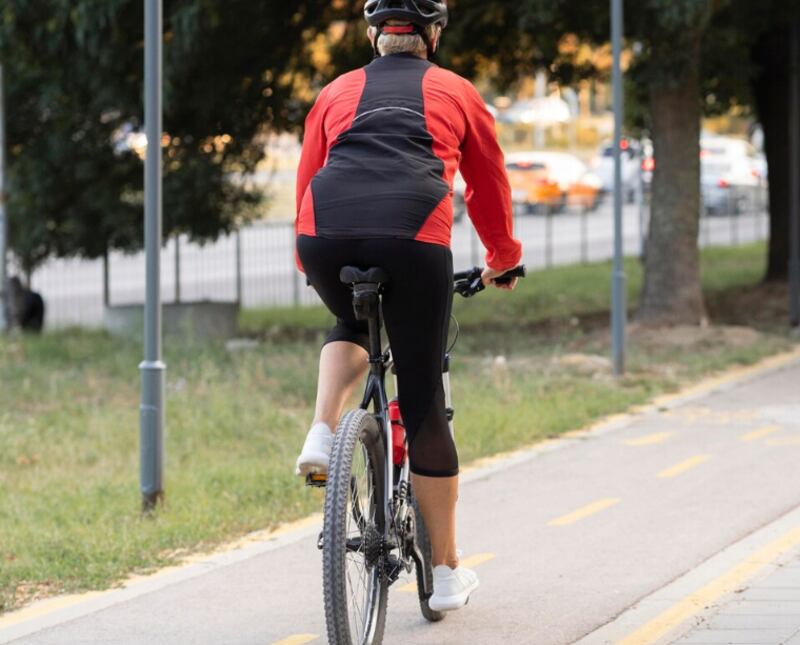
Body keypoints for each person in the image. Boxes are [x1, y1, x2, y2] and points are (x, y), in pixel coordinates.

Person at [293, 0, 521, 612]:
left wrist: (307, 261)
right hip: (414, 234)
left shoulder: (337, 90)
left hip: (324, 233)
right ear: (433, 35)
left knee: (349, 319)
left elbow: (309, 172)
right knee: (423, 401)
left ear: (373, 36)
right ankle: (445, 572)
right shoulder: (457, 90)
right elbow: (488, 183)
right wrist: (502, 257)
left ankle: (321, 429)